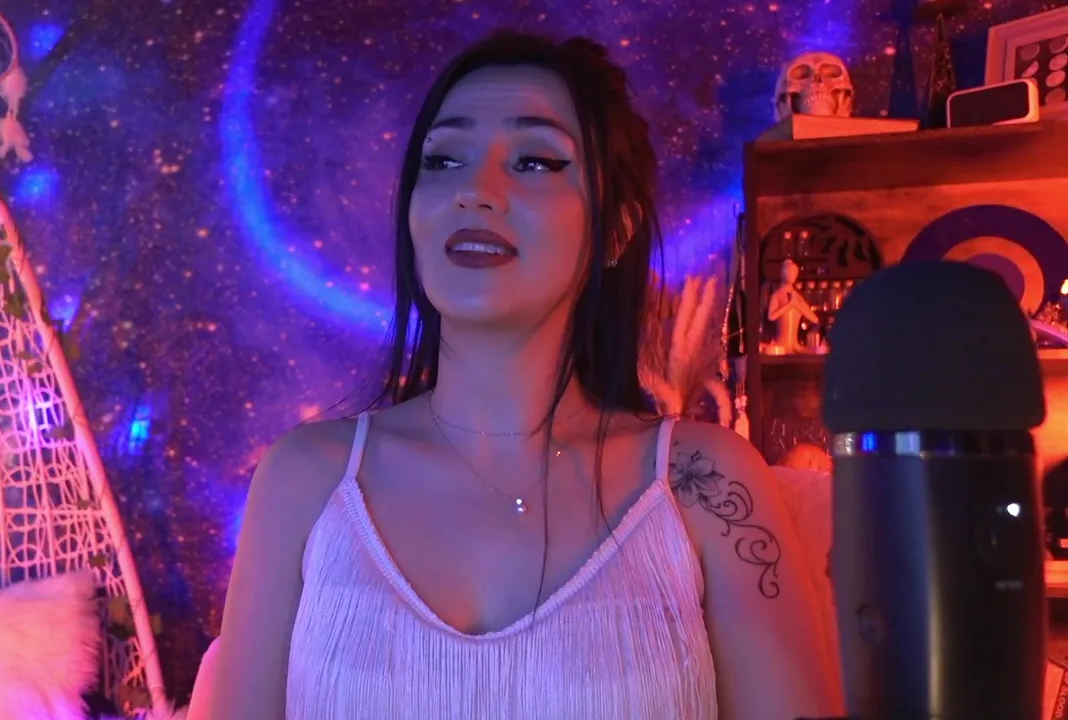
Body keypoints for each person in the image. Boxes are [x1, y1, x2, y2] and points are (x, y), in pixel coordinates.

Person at [203, 31, 841, 720]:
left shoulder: (706, 483)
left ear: (616, 231)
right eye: (443, 160)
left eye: (535, 161)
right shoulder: (307, 479)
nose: (474, 192)